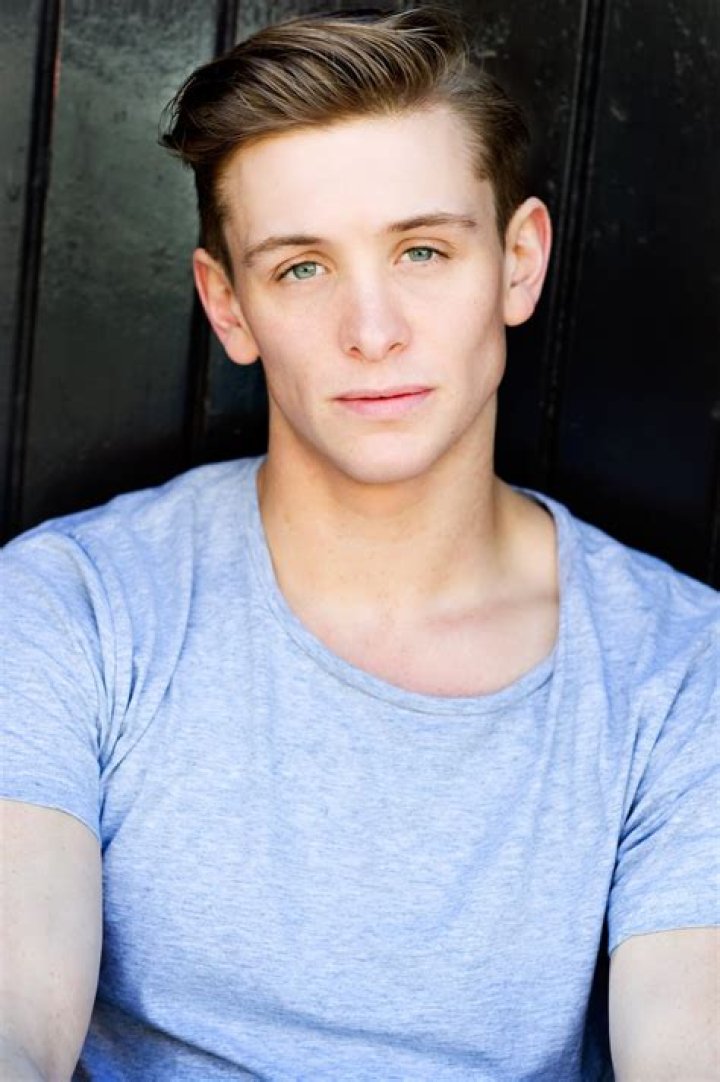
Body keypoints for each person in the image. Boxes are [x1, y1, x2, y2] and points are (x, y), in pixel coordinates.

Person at [1, 6, 718, 1080]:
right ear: (228, 306)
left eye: (422, 251)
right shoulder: (73, 605)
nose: (372, 331)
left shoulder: (681, 667)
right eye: (301, 268)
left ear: (518, 263)